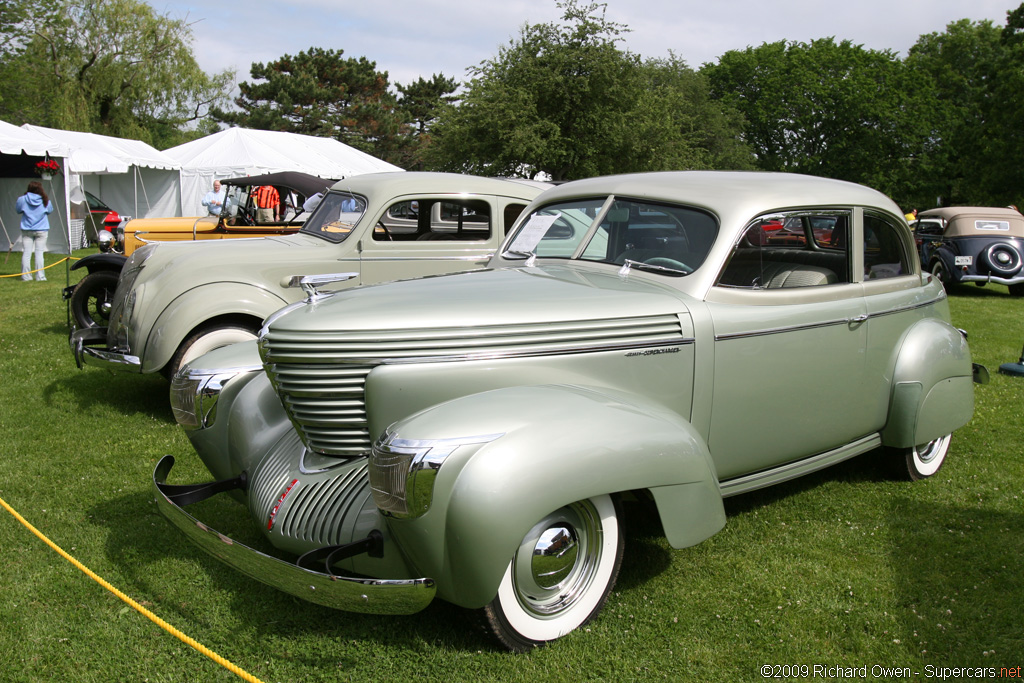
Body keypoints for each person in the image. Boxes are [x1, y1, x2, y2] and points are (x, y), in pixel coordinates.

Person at [16, 180, 54, 281]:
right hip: (42, 229)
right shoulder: (45, 200)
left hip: (27, 229)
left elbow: (18, 210)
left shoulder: (22, 199)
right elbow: (50, 210)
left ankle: (26, 276)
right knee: (39, 253)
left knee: (27, 253)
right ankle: (40, 276)